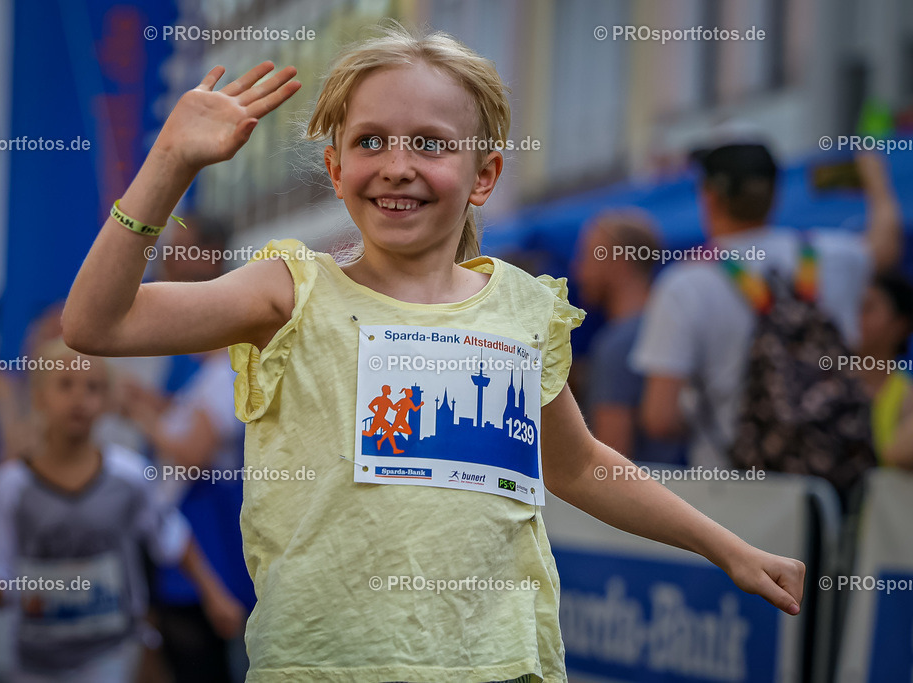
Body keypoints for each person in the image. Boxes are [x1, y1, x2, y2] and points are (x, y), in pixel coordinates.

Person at [62, 24, 805, 683]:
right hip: (323, 665)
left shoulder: (522, 306)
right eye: (370, 140)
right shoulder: (289, 291)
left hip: (502, 664)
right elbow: (97, 323)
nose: (397, 163)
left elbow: (579, 464)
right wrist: (170, 162)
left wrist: (726, 546)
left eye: (430, 143)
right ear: (335, 168)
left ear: (484, 175)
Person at [0, 339, 243, 682]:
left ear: (108, 401)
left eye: (93, 388)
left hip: (112, 657)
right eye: (65, 385)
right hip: (37, 661)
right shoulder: (12, 486)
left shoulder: (130, 476)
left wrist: (214, 595)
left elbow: (172, 536)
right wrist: (12, 592)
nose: (80, 398)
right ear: (39, 396)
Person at [632, 145, 901, 470]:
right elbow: (886, 245)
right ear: (775, 195)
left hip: (737, 492)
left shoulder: (685, 284)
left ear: (709, 197)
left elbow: (660, 418)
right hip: (831, 484)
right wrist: (877, 181)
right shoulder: (829, 255)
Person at [122, 349, 255, 682]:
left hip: (205, 530)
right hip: (196, 524)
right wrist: (152, 403)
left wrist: (140, 417)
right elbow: (189, 420)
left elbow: (194, 454)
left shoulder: (225, 373)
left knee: (199, 649)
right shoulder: (213, 372)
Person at [574, 209, 686, 464]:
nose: (578, 270)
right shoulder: (671, 326)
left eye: (587, 256)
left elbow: (609, 463)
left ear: (618, 260)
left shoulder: (616, 345)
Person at [854, 272, 913, 469]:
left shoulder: (907, 394)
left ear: (899, 325)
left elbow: (896, 455)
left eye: (867, 309)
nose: (856, 318)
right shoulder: (824, 385)